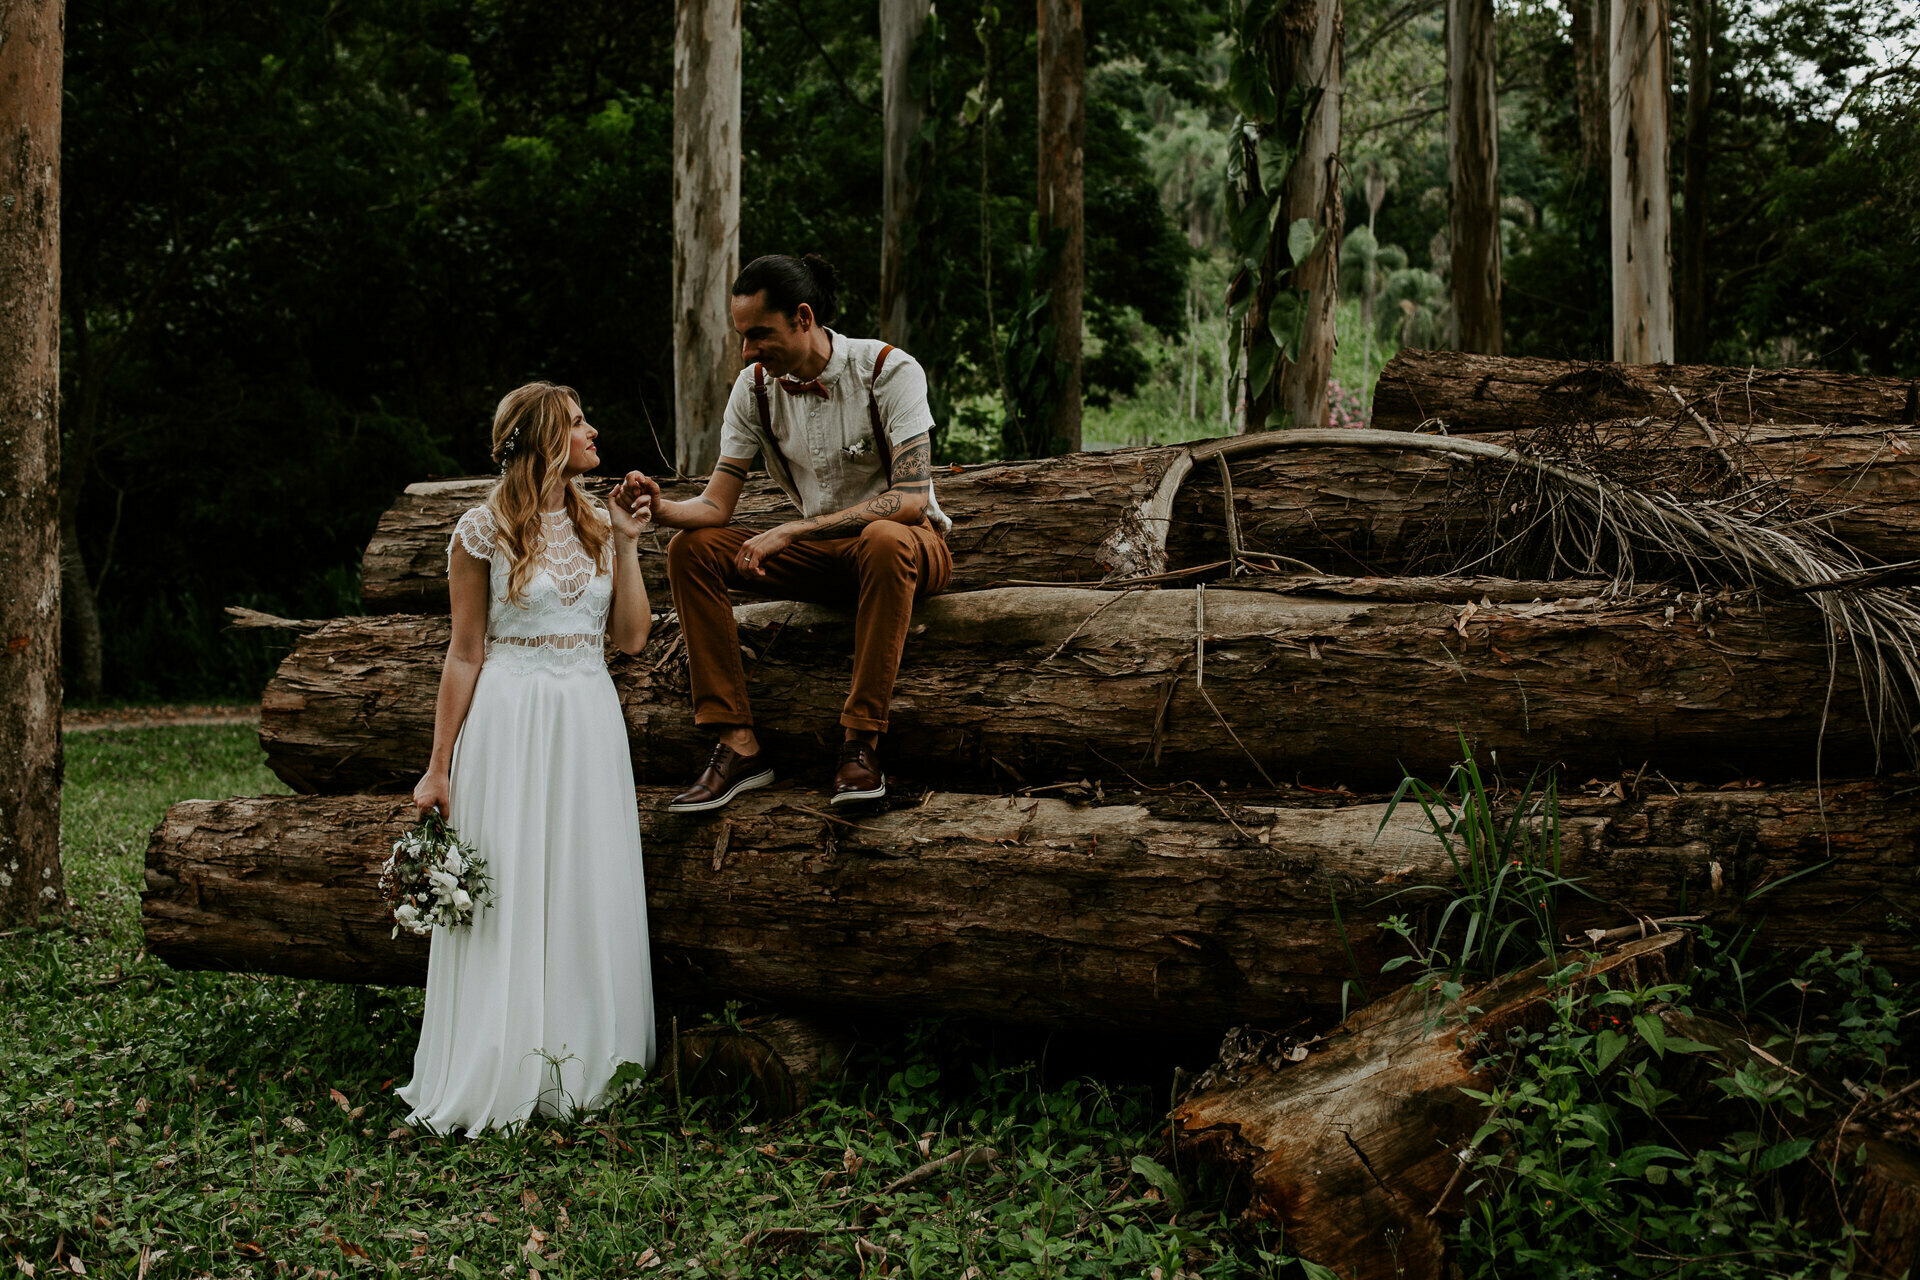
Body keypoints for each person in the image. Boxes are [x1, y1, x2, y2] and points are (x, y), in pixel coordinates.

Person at [399, 381, 657, 1135]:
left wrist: (631, 544)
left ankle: (585, 1066)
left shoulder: (600, 524)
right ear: (547, 438)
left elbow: (633, 638)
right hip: (510, 721)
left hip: (586, 717)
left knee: (585, 879)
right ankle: (503, 1065)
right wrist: (439, 763)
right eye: (579, 423)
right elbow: (464, 651)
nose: (594, 431)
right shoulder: (481, 531)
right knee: (511, 889)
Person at [617, 253, 951, 813]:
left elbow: (913, 500)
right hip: (825, 562)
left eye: (758, 335)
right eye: (742, 337)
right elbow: (716, 508)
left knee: (885, 539)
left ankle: (861, 743)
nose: (747, 352)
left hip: (909, 553)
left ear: (803, 317)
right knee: (691, 550)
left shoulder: (889, 370)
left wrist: (794, 530)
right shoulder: (754, 391)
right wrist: (660, 508)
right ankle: (736, 742)